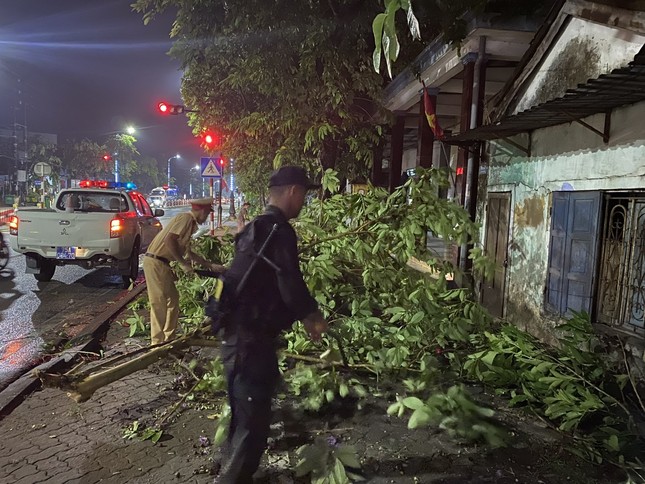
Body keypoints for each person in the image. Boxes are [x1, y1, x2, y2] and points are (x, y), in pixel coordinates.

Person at [214, 166, 328, 483]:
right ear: (293, 191)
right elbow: (289, 280)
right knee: (253, 418)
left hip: (239, 337)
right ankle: (231, 478)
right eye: (304, 194)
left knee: (243, 408)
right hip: (250, 340)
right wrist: (312, 316)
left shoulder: (257, 227)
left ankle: (230, 468)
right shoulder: (278, 229)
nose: (304, 201)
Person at [143, 197, 225, 345]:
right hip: (155, 262)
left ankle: (169, 339)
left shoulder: (191, 224)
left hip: (163, 263)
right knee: (159, 302)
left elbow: (189, 253)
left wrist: (209, 265)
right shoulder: (185, 219)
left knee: (173, 300)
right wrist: (182, 264)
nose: (206, 217)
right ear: (201, 210)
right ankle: (156, 343)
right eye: (207, 213)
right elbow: (170, 241)